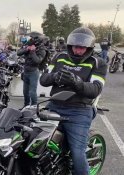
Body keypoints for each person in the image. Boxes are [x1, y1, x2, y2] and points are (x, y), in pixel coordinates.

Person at [40, 27, 107, 175]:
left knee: (77, 153)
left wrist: (76, 82)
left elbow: (95, 89)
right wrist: (55, 76)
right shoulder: (59, 57)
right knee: (35, 141)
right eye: (76, 47)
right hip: (54, 106)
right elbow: (44, 79)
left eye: (82, 48)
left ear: (89, 48)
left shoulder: (98, 63)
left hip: (79, 111)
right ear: (70, 46)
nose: (78, 51)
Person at [17, 31, 47, 108]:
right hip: (26, 71)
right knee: (25, 92)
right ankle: (26, 107)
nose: (30, 39)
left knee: (32, 92)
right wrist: (27, 49)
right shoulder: (28, 44)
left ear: (37, 39)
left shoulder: (42, 49)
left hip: (33, 72)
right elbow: (18, 53)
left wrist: (33, 51)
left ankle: (34, 107)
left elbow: (37, 61)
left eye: (32, 38)